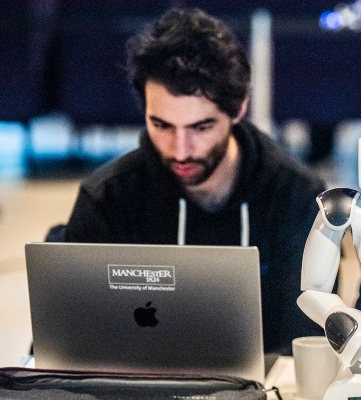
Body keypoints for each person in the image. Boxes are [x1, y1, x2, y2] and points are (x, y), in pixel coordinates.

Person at [61, 8, 327, 355]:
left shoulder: (296, 197)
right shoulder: (108, 199)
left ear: (239, 108)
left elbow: (303, 345)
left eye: (201, 128)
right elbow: (71, 343)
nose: (181, 151)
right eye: (162, 126)